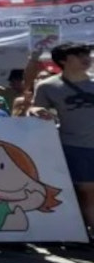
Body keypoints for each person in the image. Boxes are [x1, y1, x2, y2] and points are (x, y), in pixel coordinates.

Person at [29, 42, 94, 232]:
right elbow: (34, 108)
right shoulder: (48, 86)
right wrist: (36, 111)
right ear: (63, 61)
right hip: (75, 147)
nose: (86, 59)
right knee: (87, 191)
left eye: (87, 54)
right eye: (79, 55)